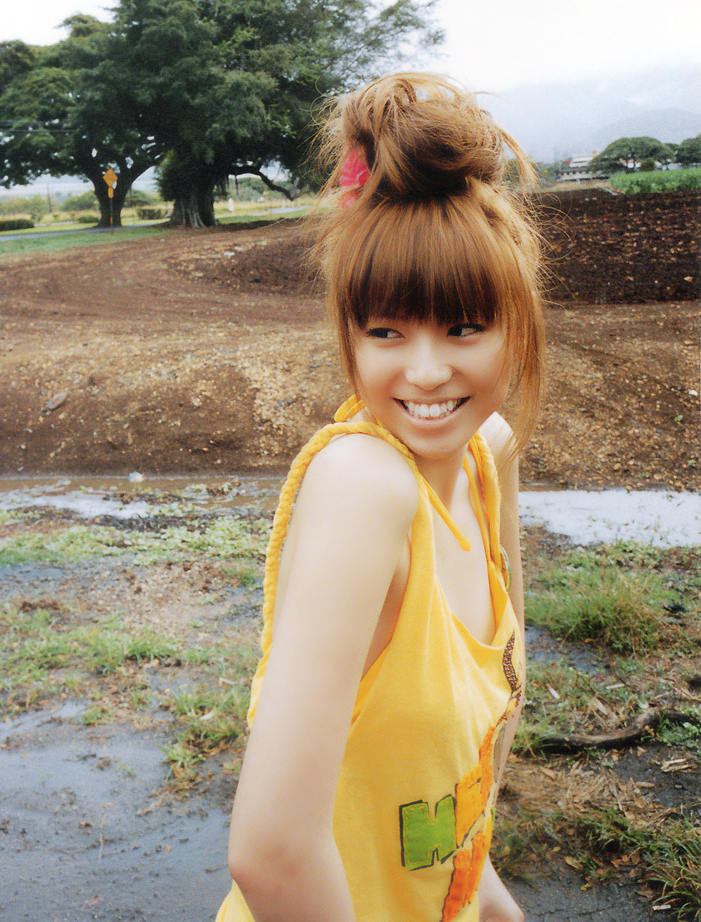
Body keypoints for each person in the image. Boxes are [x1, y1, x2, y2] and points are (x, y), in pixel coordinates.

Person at [215, 73, 545, 922]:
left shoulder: (487, 456)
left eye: (464, 326)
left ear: (518, 325)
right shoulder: (364, 487)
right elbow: (272, 855)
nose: (426, 371)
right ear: (348, 334)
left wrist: (486, 898)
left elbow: (460, 767)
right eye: (386, 331)